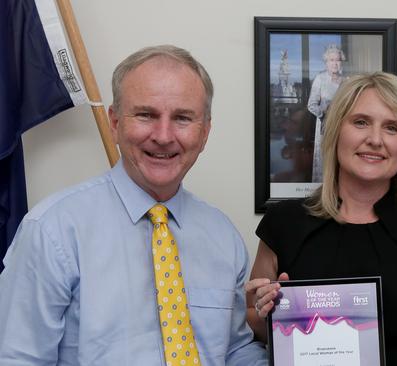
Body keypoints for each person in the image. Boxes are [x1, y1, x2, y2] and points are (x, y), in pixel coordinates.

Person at [0, 45, 267, 366]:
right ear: (114, 122)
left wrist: (295, 342)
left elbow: (233, 350)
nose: (164, 135)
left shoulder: (223, 237)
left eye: (182, 118)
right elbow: (18, 358)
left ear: (205, 132)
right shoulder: (52, 231)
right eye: (146, 115)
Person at [247, 72, 397, 365]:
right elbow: (254, 319)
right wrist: (265, 311)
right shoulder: (284, 223)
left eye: (392, 128)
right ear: (336, 130)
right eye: (361, 122)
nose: (375, 140)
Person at [307, 43, 347, 182]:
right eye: (331, 60)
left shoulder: (347, 81)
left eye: (338, 60)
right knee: (325, 158)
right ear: (326, 62)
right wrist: (325, 115)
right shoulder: (320, 79)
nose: (335, 63)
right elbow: (311, 105)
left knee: (341, 158)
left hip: (342, 126)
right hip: (325, 125)